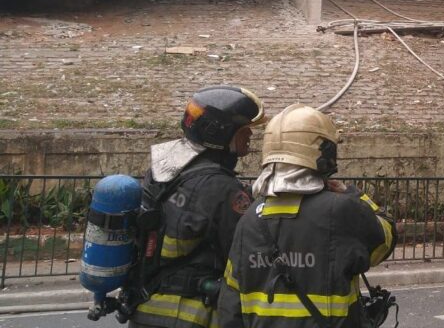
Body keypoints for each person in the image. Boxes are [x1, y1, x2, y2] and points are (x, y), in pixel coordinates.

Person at [218, 104, 395, 327]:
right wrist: (355, 196)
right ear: (324, 151)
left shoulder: (250, 218)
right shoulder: (341, 210)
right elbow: (385, 240)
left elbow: (230, 305)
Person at [125, 85, 265, 328]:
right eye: (244, 131)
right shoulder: (223, 188)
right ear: (221, 134)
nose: (250, 136)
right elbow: (247, 253)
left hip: (144, 307)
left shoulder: (163, 172)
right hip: (191, 315)